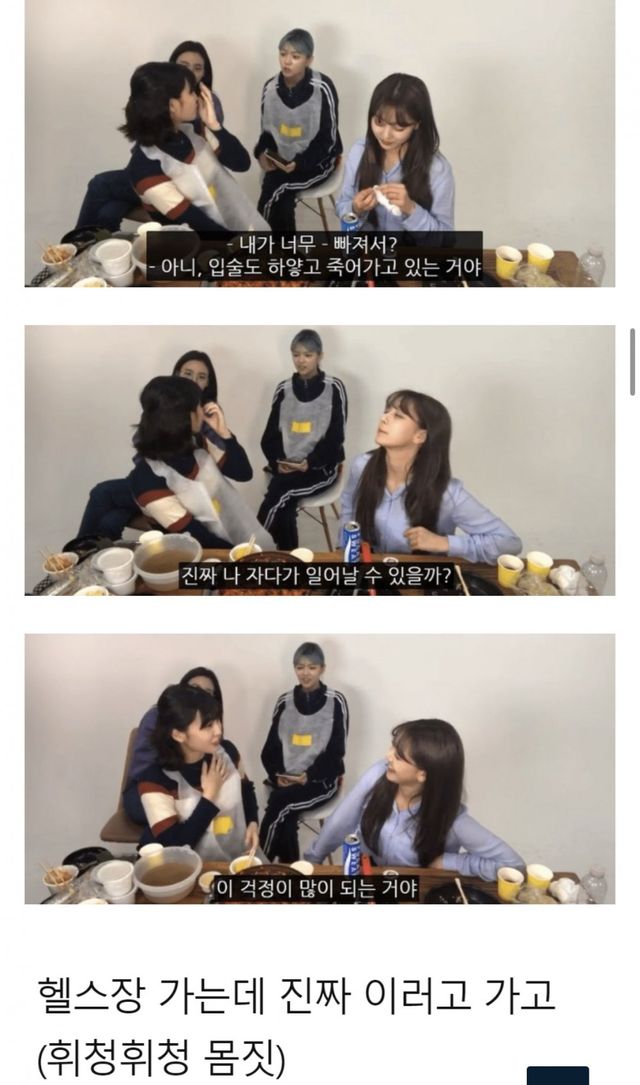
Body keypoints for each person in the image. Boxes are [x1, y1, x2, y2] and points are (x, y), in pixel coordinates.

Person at [305, 719, 524, 879]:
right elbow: (340, 821)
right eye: (393, 746)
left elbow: (514, 866)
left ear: (423, 774)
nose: (388, 756)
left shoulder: (452, 819)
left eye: (398, 756)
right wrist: (312, 861)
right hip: (367, 873)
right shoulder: (379, 774)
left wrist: (447, 861)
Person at [340, 390, 521, 563]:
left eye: (398, 416)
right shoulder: (362, 465)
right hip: (372, 568)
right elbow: (349, 506)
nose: (384, 418)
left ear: (420, 436)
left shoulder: (447, 493)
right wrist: (344, 548)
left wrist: (444, 543)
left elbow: (509, 542)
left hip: (421, 576)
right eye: (386, 412)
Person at [75, 350, 234, 541]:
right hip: (157, 486)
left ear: (208, 383)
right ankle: (83, 551)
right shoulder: (161, 406)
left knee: (106, 500)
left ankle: (82, 551)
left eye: (201, 377)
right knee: (110, 514)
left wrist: (223, 433)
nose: (194, 381)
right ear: (176, 376)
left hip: (192, 494)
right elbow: (144, 454)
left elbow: (233, 470)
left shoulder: (209, 417)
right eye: (188, 374)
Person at [76, 41, 230, 231]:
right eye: (183, 66)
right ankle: (88, 243)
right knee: (109, 210)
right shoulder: (158, 96)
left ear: (204, 73)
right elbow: (146, 143)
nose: (189, 72)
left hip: (184, 181)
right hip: (154, 175)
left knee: (100, 184)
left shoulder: (205, 104)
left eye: (197, 68)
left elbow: (210, 155)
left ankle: (78, 241)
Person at [129, 376, 272, 548]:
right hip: (198, 552)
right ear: (182, 416)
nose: (202, 412)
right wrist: (243, 556)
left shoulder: (197, 444)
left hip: (238, 534)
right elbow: (199, 538)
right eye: (198, 406)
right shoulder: (146, 480)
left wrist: (224, 433)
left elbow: (243, 473)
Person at [122, 62, 265, 233]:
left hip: (235, 220)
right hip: (199, 241)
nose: (196, 97)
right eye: (190, 92)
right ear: (172, 106)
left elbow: (241, 163)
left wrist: (214, 125)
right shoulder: (145, 169)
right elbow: (198, 224)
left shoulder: (196, 130)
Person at [137, 684, 259, 857]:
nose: (218, 730)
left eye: (217, 720)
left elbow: (246, 789)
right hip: (192, 866)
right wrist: (209, 797)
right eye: (208, 725)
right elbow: (175, 845)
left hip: (239, 856)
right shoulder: (154, 781)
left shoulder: (229, 752)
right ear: (178, 735)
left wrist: (253, 822)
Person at [258, 330, 347, 549]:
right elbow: (270, 436)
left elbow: (336, 438)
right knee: (285, 505)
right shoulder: (284, 389)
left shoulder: (334, 388)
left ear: (320, 356)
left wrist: (311, 462)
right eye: (296, 354)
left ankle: (252, 548)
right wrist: (278, 462)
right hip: (287, 467)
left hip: (320, 469)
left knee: (281, 491)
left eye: (308, 355)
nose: (301, 360)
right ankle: (289, 560)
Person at [259, 643, 348, 863]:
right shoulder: (284, 701)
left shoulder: (336, 702)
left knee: (280, 803)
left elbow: (336, 753)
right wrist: (277, 776)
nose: (305, 673)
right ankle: (291, 871)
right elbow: (270, 749)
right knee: (287, 817)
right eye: (300, 667)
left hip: (319, 782)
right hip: (286, 780)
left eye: (312, 667)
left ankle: (259, 864)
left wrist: (309, 776)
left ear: (322, 669)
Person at [336, 73, 454, 232]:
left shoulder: (437, 169)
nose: (385, 135)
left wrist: (410, 209)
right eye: (379, 122)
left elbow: (444, 237)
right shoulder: (360, 151)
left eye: (399, 127)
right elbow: (342, 207)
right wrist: (356, 208)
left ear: (417, 124)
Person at [254, 28, 342, 231]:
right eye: (283, 54)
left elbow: (328, 140)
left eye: (295, 56)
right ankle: (283, 248)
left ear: (309, 60)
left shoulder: (323, 88)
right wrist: (262, 154)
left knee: (276, 187)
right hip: (282, 162)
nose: (287, 61)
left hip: (317, 163)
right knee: (281, 195)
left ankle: (260, 240)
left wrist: (300, 162)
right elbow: (267, 135)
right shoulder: (270, 88)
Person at [123, 666, 224, 823]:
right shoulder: (158, 717)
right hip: (150, 787)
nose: (201, 695)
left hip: (192, 788)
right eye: (194, 688)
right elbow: (144, 770)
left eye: (208, 692)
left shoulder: (214, 730)